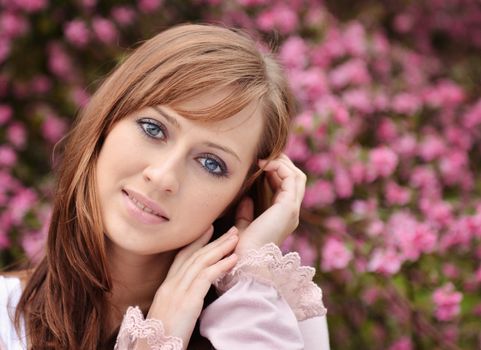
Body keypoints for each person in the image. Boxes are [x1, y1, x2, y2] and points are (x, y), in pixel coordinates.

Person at [0, 24, 329, 349]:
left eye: (211, 163)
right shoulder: (6, 320)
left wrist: (250, 270)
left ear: (238, 196)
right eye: (153, 129)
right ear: (107, 122)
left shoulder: (272, 322)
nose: (162, 177)